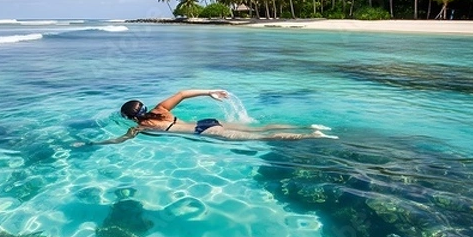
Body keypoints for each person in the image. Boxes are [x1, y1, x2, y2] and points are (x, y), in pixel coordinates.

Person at [93, 89, 337, 145]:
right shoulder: (160, 109)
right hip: (206, 122)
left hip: (205, 132)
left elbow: (119, 140)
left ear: (129, 117)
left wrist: (94, 143)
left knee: (264, 137)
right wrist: (210, 92)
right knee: (260, 127)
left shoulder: (141, 128)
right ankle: (310, 125)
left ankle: (311, 135)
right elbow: (183, 94)